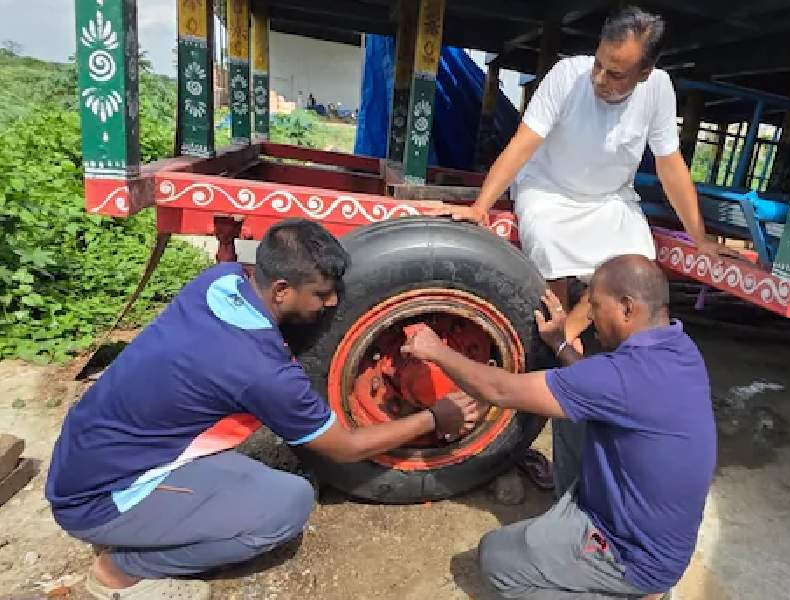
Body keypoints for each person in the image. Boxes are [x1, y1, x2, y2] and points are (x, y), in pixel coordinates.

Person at [45, 219, 478, 600]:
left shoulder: (220, 281)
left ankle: (146, 526)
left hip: (89, 451)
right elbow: (344, 448)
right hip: (98, 498)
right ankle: (122, 571)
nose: (330, 304)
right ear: (282, 289)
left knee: (260, 477)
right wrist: (433, 417)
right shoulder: (258, 370)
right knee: (286, 506)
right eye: (322, 295)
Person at [433, 5, 735, 495]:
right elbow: (522, 145)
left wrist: (699, 236)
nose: (600, 78)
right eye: (599, 63)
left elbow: (670, 164)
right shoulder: (567, 75)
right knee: (548, 250)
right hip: (549, 191)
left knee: (634, 262)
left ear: (645, 72)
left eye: (616, 74)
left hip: (611, 200)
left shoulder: (658, 91)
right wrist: (480, 207)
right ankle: (547, 349)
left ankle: (565, 339)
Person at [401, 255, 717, 599]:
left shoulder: (623, 376)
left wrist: (436, 350)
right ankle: (572, 530)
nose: (591, 317)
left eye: (596, 305)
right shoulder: (679, 348)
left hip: (629, 556)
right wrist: (560, 344)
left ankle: (635, 593)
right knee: (569, 415)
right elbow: (596, 388)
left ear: (628, 308)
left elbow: (501, 390)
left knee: (496, 558)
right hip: (657, 536)